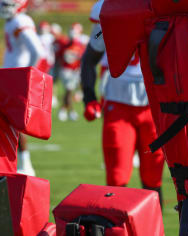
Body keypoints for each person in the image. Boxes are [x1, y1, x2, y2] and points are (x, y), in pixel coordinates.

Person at [80, 0, 165, 206]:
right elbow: (89, 59)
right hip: (118, 105)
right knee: (117, 179)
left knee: (153, 178)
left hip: (156, 105)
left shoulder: (163, 5)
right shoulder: (106, 8)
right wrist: (89, 96)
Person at [0, 0, 47, 176]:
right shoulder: (13, 21)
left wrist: (28, 75)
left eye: (8, 5)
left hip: (16, 79)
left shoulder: (21, 21)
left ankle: (25, 165)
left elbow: (37, 51)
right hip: (10, 77)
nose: (5, 9)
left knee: (15, 124)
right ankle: (21, 164)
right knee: (9, 125)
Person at [57, 23, 86, 121]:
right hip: (66, 70)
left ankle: (66, 110)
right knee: (69, 91)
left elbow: (83, 58)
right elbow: (59, 56)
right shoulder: (65, 44)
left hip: (75, 71)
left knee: (69, 91)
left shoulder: (80, 45)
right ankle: (67, 111)